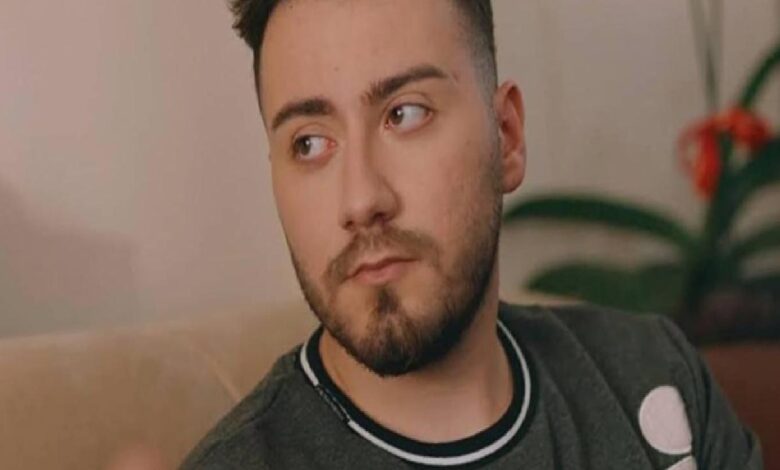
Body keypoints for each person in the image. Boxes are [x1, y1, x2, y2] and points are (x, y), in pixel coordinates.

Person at [181, 0, 762, 468]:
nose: (360, 200)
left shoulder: (657, 380)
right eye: (309, 143)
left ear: (506, 136)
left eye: (405, 114)